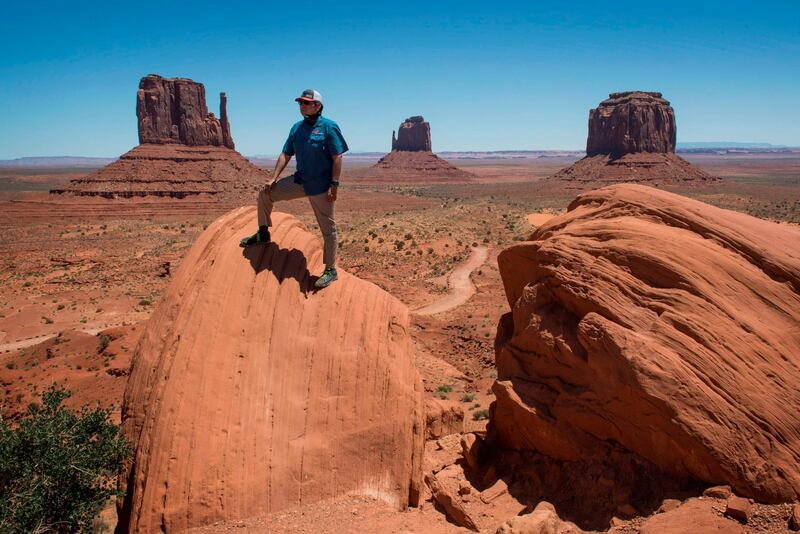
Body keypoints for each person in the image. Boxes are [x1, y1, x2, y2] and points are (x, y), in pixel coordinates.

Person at [240, 89, 348, 289]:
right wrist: (273, 178)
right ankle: (263, 232)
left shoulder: (329, 127)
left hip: (321, 187)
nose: (302, 106)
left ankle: (330, 270)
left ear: (318, 106)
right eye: (300, 103)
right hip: (300, 182)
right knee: (265, 194)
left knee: (328, 229)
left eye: (306, 103)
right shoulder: (296, 128)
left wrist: (334, 184)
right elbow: (285, 154)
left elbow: (337, 156)